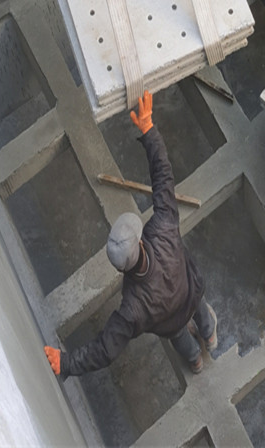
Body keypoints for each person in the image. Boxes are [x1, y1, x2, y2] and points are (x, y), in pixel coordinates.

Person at [44, 91, 217, 378]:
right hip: (192, 292)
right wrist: (148, 129)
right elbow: (163, 174)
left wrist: (67, 363)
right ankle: (209, 336)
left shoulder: (133, 307)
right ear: (139, 241)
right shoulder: (163, 228)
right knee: (202, 313)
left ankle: (195, 361)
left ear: (120, 268)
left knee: (180, 338)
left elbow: (106, 349)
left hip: (172, 325)